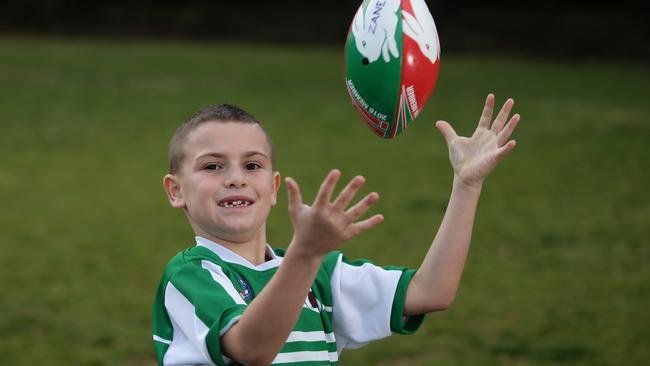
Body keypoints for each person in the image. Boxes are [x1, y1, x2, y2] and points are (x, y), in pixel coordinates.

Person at [152, 94, 521, 366]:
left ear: (274, 187)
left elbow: (431, 291)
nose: (235, 178)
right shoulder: (190, 276)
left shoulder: (321, 274)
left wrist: (467, 186)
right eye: (212, 167)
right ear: (176, 190)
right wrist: (306, 254)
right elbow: (252, 348)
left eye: (252, 165)